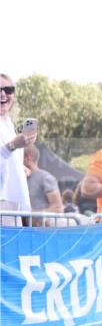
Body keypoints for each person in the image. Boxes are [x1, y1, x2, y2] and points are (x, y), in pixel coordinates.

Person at [0, 75, 36, 224]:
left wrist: (19, 167)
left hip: (14, 202)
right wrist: (12, 146)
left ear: (14, 96)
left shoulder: (8, 124)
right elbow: (6, 150)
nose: (3, 94)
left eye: (8, 90)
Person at [23, 144, 63, 221]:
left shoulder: (46, 178)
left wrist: (31, 215)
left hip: (42, 231)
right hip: (21, 230)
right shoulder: (19, 179)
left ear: (27, 158)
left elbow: (58, 209)